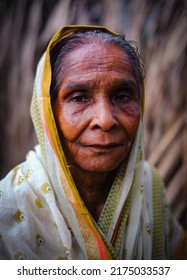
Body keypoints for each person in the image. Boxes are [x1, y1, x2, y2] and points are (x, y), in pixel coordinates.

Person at [0, 25, 186, 260]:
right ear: (48, 111)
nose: (105, 120)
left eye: (122, 96)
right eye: (79, 98)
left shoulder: (148, 184)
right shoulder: (9, 206)